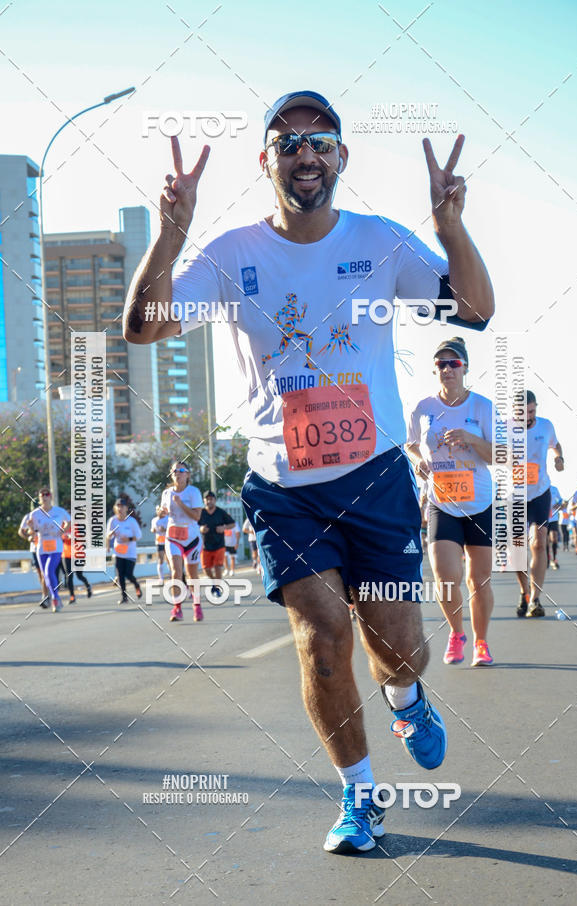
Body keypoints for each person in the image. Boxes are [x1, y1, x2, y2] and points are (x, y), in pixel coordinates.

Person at [124, 89, 494, 854]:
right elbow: (143, 328)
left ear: (340, 158)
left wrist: (450, 226)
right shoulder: (230, 256)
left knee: (398, 646)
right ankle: (362, 800)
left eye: (320, 140)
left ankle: (407, 696)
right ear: (266, 161)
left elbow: (478, 309)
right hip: (283, 488)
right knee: (322, 639)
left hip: (377, 478)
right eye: (288, 143)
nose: (305, 154)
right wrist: (170, 235)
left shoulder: (381, 242)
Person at [407, 337, 495, 667]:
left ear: (465, 368)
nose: (447, 369)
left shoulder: (482, 407)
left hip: (480, 503)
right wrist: (418, 461)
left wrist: (471, 439)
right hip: (441, 501)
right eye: (441, 364)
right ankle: (457, 634)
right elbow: (412, 444)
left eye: (453, 363)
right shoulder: (423, 408)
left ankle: (482, 642)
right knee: (445, 578)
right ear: (435, 370)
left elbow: (502, 454)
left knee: (478, 579)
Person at [515, 391, 564, 618]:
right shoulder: (504, 429)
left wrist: (558, 458)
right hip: (513, 495)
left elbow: (556, 445)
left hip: (540, 492)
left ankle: (535, 598)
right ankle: (524, 592)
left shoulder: (545, 426)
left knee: (538, 543)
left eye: (532, 411)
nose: (528, 416)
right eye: (523, 412)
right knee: (516, 550)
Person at [160, 462, 203, 621]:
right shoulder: (166, 493)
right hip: (173, 536)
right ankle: (177, 608)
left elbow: (197, 516)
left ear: (188, 474)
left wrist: (180, 503)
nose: (178, 473)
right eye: (174, 471)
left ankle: (197, 606)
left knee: (192, 575)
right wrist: (161, 512)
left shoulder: (194, 492)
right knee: (176, 572)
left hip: (192, 538)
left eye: (181, 470)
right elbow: (163, 512)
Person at [27, 488, 71, 613]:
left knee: (49, 571)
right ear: (40, 498)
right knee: (45, 575)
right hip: (42, 547)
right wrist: (30, 528)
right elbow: (33, 532)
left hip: (56, 546)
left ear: (50, 497)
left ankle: (55, 599)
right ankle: (55, 598)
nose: (45, 497)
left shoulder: (59, 511)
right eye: (42, 495)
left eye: (47, 494)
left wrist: (63, 530)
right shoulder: (35, 514)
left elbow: (69, 521)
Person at [106, 497, 143, 603]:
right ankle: (124, 597)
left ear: (126, 508)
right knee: (120, 575)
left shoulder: (131, 521)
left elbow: (139, 535)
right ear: (115, 508)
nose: (120, 509)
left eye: (122, 506)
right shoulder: (112, 520)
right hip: (118, 552)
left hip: (130, 553)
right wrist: (109, 538)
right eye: (118, 506)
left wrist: (129, 539)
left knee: (128, 574)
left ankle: (136, 585)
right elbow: (107, 535)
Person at [199, 491, 236, 592]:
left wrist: (224, 527)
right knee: (205, 569)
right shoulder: (200, 513)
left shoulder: (221, 512)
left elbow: (233, 524)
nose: (209, 501)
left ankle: (218, 588)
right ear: (204, 501)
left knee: (217, 567)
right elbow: (194, 525)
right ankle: (214, 581)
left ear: (215, 500)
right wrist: (200, 529)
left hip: (219, 545)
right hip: (205, 545)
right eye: (207, 499)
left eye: (211, 499)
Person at [18, 509, 49, 608]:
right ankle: (46, 593)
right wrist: (28, 537)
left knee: (46, 573)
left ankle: (46, 595)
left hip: (48, 548)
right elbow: (21, 531)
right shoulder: (28, 517)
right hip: (35, 549)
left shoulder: (48, 515)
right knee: (40, 573)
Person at [62, 516, 93, 602]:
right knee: (69, 576)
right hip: (66, 555)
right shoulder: (61, 526)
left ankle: (88, 586)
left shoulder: (78, 526)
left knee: (79, 575)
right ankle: (72, 596)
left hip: (78, 554)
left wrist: (72, 537)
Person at [151, 504, 169, 585]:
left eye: (162, 510)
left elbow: (171, 529)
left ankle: (172, 576)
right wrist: (153, 530)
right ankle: (161, 578)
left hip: (168, 541)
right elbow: (152, 529)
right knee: (160, 559)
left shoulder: (168, 519)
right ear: (157, 511)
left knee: (169, 559)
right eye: (159, 510)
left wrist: (164, 529)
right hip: (159, 542)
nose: (161, 512)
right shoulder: (154, 520)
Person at [547, 485, 563, 570]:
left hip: (553, 517)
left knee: (554, 538)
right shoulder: (537, 488)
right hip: (542, 518)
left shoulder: (554, 489)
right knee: (545, 541)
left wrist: (559, 504)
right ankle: (547, 559)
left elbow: (560, 500)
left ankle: (554, 558)